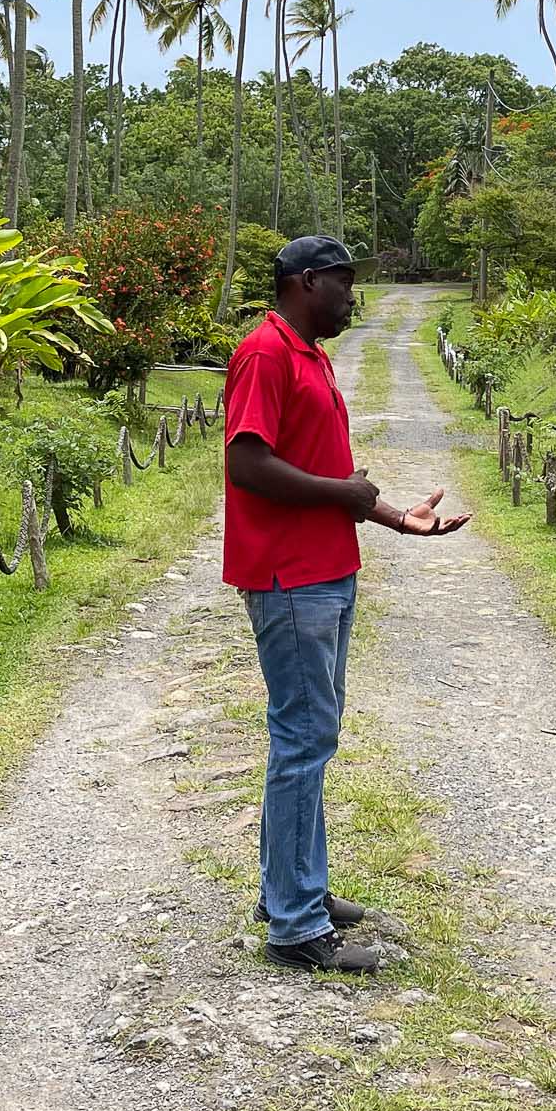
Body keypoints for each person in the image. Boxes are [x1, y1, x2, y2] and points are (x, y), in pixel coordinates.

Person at [223, 235, 470, 974]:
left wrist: (397, 518)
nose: (350, 297)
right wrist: (347, 495)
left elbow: (328, 474)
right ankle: (296, 926)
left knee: (309, 737)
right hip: (288, 578)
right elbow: (246, 460)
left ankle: (292, 890)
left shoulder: (311, 354)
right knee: (302, 741)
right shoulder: (265, 353)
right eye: (342, 283)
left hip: (324, 569)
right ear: (304, 282)